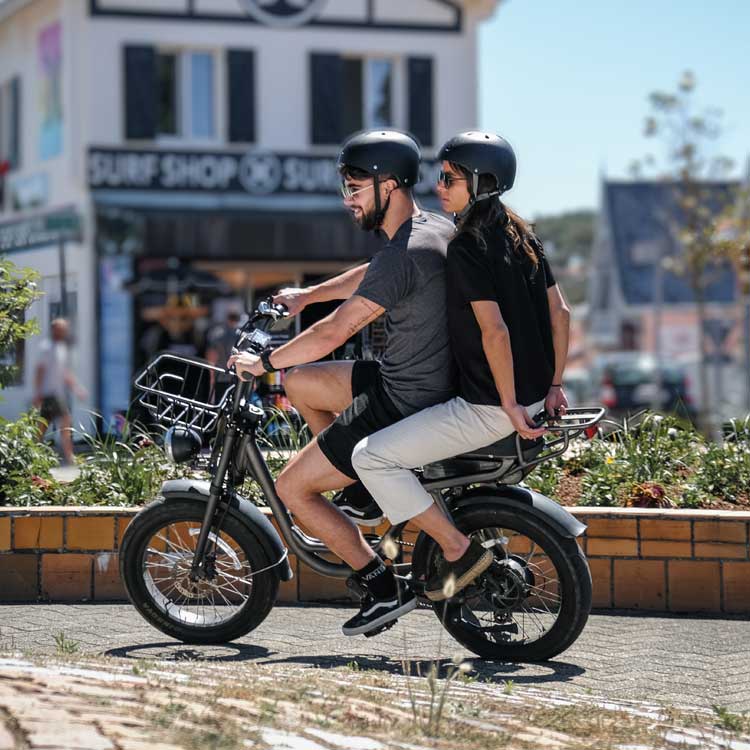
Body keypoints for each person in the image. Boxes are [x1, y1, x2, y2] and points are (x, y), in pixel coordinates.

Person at [229, 129, 456, 636]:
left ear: (389, 186)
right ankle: (360, 486)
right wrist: (307, 295)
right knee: (304, 384)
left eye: (355, 188)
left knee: (293, 488)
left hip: (402, 399)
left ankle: (379, 584)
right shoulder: (429, 229)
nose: (348, 201)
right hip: (417, 378)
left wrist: (263, 361)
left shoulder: (406, 252)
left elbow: (336, 331)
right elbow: (372, 273)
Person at [351, 131, 572, 602]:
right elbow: (561, 313)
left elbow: (495, 332)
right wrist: (554, 384)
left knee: (370, 456)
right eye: (440, 175)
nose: (439, 186)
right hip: (531, 397)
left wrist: (508, 403)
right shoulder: (522, 234)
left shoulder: (467, 246)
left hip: (489, 405)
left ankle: (457, 550)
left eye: (451, 178)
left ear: (482, 183)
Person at [33, 318, 87, 465]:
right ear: (54, 330)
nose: (64, 331)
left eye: (65, 328)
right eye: (61, 329)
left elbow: (64, 373)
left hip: (56, 393)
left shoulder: (60, 348)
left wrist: (77, 388)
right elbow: (40, 370)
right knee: (63, 421)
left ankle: (32, 452)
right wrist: (38, 393)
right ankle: (69, 457)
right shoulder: (47, 347)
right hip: (48, 393)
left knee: (44, 426)